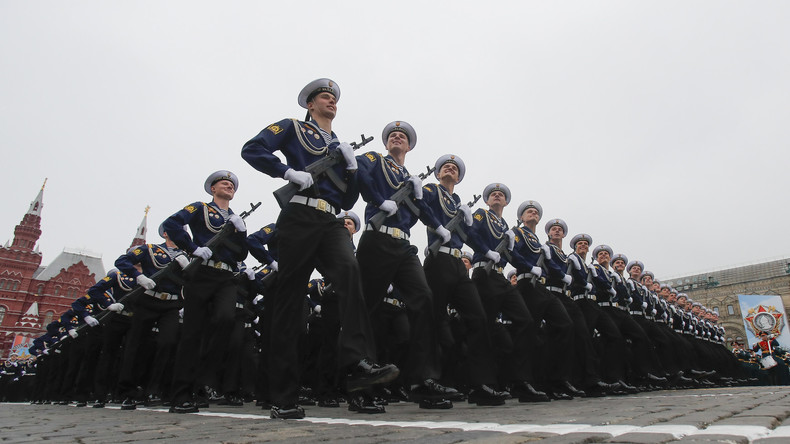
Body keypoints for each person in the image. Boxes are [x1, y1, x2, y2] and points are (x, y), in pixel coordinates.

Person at [241, 78, 397, 419]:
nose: (331, 102)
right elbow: (252, 149)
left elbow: (346, 198)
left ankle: (357, 364)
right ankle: (281, 394)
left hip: (331, 221)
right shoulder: (292, 127)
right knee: (290, 297)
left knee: (350, 274)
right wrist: (287, 171)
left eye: (333, 99)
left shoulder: (339, 145)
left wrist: (352, 168)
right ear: (310, 105)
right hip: (298, 214)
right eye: (324, 98)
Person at [355, 122, 461, 409]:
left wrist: (439, 226)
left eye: (402, 137)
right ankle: (359, 384)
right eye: (393, 135)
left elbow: (423, 210)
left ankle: (421, 381)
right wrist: (378, 200)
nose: (397, 138)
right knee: (368, 307)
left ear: (410, 147)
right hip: (377, 239)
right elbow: (360, 174)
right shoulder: (375, 159)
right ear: (387, 143)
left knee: (423, 299)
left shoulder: (409, 178)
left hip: (403, 245)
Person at [422, 154, 508, 406]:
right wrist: (438, 226)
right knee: (435, 320)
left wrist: (487, 249)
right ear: (438, 174)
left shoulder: (458, 202)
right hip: (437, 260)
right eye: (445, 167)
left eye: (455, 168)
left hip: (458, 263)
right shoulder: (430, 189)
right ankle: (428, 384)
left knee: (478, 319)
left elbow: (469, 235)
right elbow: (420, 206)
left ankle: (480, 384)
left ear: (459, 178)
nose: (450, 169)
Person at [163, 170, 250, 413]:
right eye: (224, 183)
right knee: (192, 334)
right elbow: (172, 224)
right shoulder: (199, 208)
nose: (229, 185)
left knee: (225, 320)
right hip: (202, 274)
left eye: (232, 184)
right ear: (213, 189)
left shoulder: (235, 218)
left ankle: (203, 382)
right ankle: (182, 394)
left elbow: (241, 254)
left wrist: (241, 232)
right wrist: (192, 247)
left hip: (225, 277)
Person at [468, 183, 548, 402]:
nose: (497, 195)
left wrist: (530, 267)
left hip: (500, 277)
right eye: (493, 194)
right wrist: (486, 251)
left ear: (506, 202)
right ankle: (481, 385)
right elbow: (470, 233)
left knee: (525, 321)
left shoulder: (506, 227)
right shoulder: (481, 214)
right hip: (483, 274)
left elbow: (513, 256)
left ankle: (520, 381)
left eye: (501, 195)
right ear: (487, 200)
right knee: (484, 327)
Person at [114, 229, 189, 410]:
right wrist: (139, 276)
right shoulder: (150, 249)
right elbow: (122, 261)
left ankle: (154, 389)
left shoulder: (188, 255)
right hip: (148, 300)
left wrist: (189, 267)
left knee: (167, 343)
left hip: (171, 305)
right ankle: (128, 392)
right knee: (136, 345)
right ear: (165, 233)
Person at [510, 200, 577, 400]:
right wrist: (528, 267)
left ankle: (556, 380)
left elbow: (550, 264)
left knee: (564, 325)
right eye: (529, 212)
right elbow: (512, 253)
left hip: (539, 286)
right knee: (528, 332)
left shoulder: (539, 241)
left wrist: (562, 274)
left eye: (536, 212)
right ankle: (524, 383)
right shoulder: (517, 233)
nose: (533, 213)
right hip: (525, 283)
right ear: (521, 218)